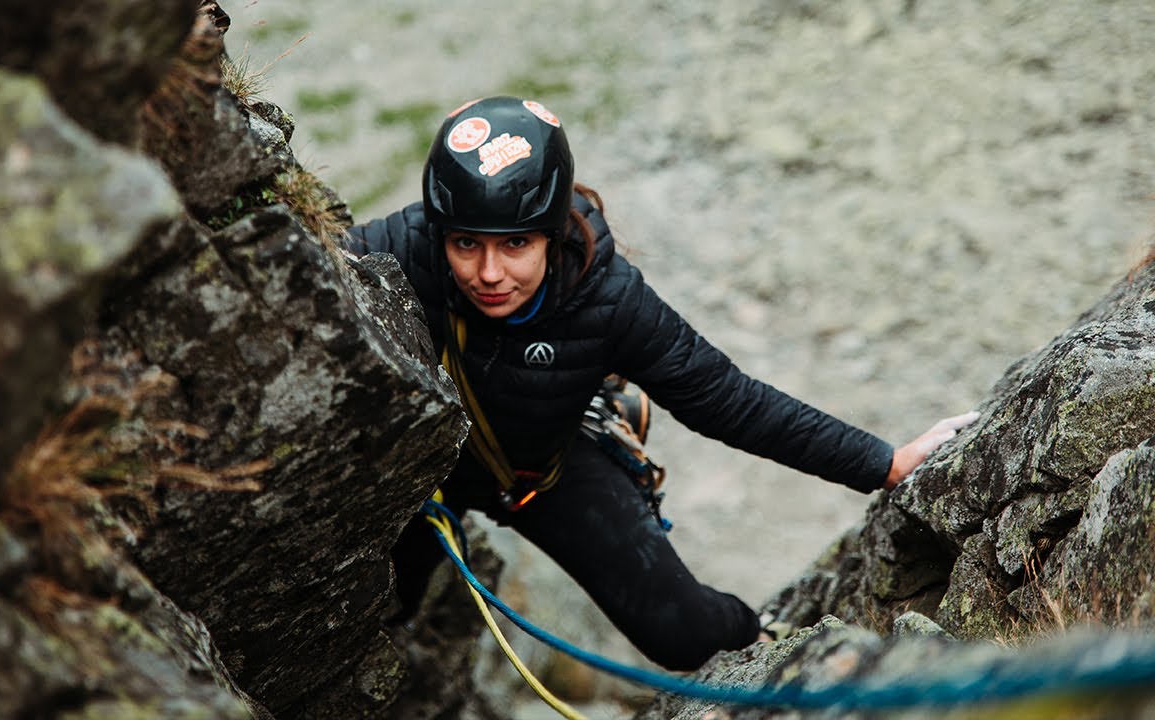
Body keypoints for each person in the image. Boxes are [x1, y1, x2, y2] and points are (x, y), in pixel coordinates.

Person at [345, 95, 978, 671]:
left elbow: (730, 402)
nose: (487, 272)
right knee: (366, 612)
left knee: (685, 634)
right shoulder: (403, 249)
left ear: (552, 229)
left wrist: (885, 463)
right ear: (440, 231)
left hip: (544, 475)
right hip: (420, 478)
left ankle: (761, 641)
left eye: (515, 244)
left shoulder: (611, 302)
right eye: (466, 245)